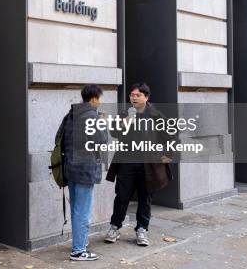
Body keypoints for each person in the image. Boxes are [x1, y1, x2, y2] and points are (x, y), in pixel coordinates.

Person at [104, 82, 173, 246]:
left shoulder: (156, 115)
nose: (133, 98)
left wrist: (168, 154)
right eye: (131, 95)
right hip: (126, 162)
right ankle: (115, 227)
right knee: (122, 196)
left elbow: (170, 136)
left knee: (145, 197)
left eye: (137, 95)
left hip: (148, 164)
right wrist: (124, 122)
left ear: (146, 97)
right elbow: (114, 132)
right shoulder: (125, 113)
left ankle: (142, 229)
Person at [62, 84, 108, 261]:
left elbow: (60, 138)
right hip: (85, 170)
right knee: (83, 211)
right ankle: (79, 250)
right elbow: (102, 141)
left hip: (71, 168)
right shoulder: (92, 117)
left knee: (76, 208)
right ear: (94, 98)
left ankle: (79, 243)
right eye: (100, 98)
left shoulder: (71, 115)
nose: (100, 101)